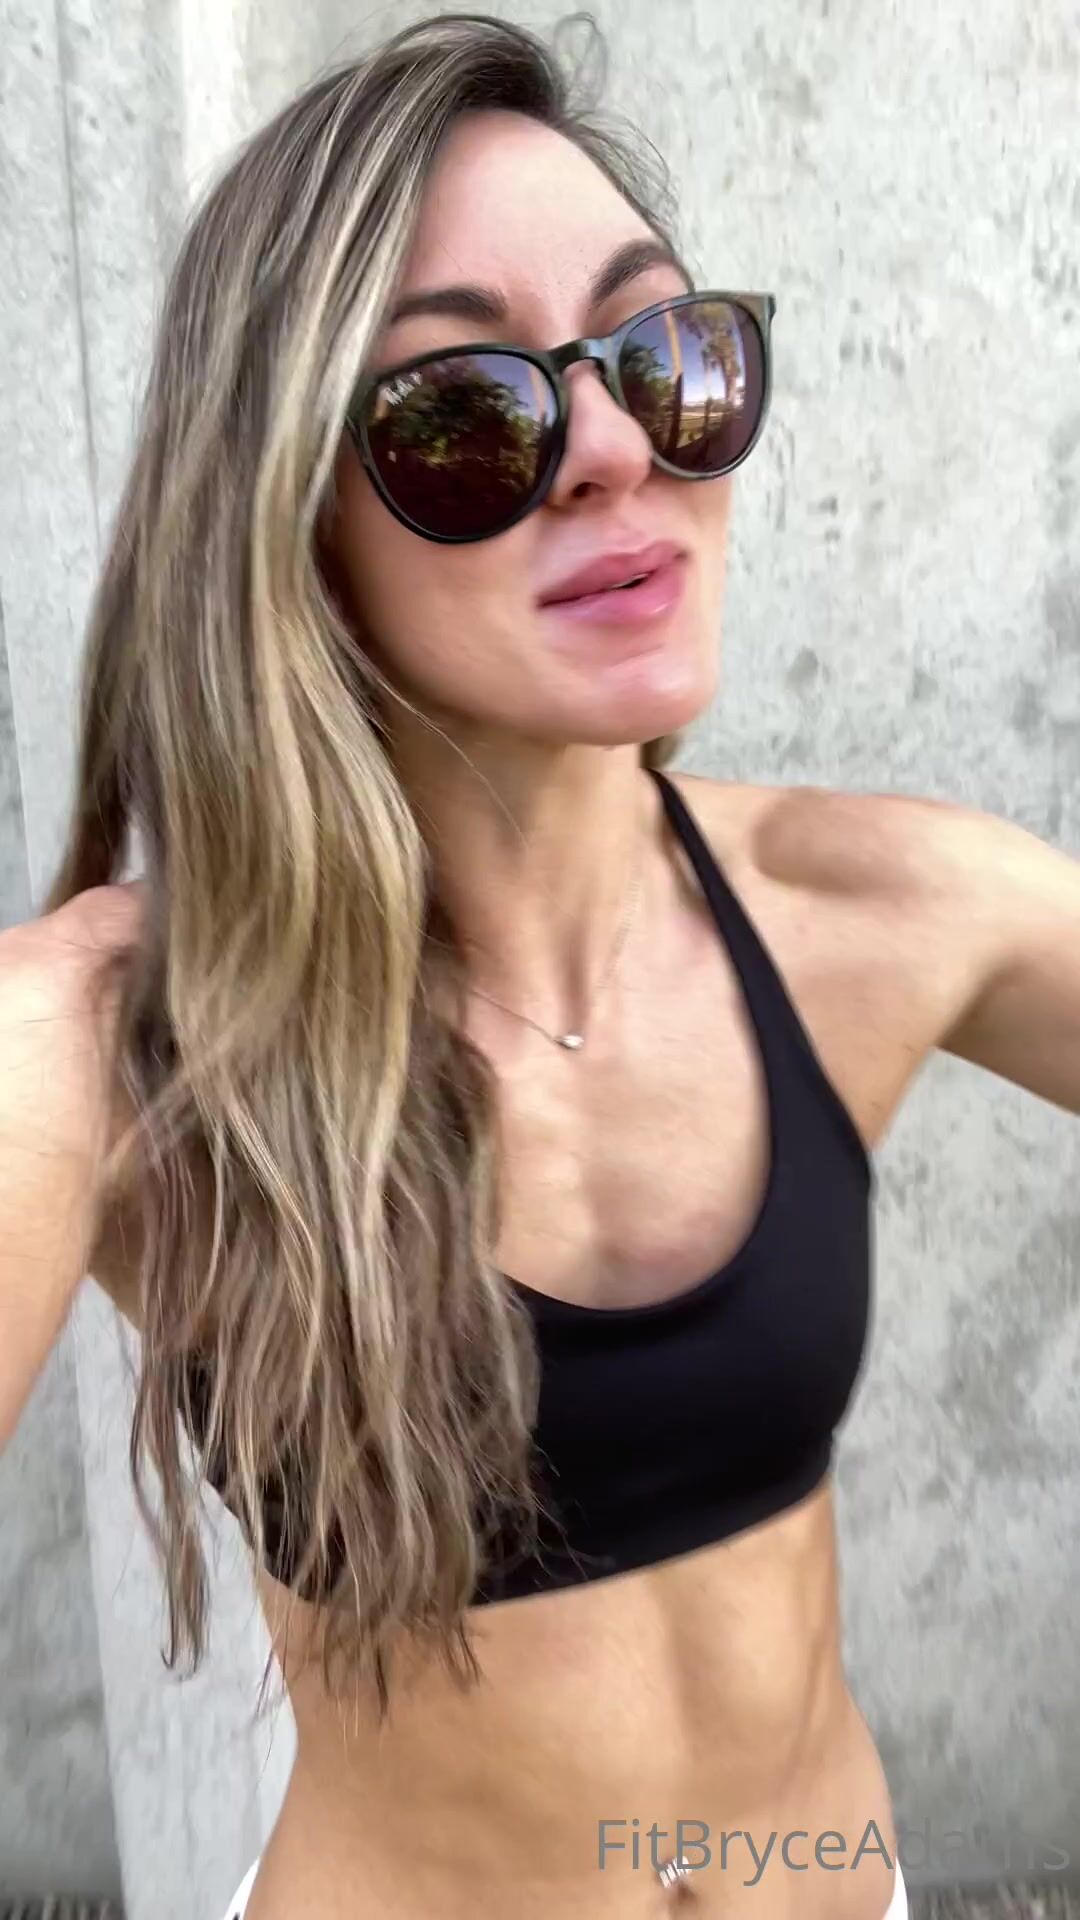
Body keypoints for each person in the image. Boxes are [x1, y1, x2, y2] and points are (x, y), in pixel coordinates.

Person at [2, 13, 1078, 1920]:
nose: (614, 449)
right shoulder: (117, 1043)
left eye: (667, 360)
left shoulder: (880, 908)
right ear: (283, 516)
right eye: (461, 415)